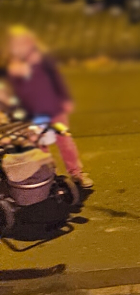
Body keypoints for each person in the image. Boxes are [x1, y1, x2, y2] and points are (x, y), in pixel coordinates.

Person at [3, 27, 91, 189]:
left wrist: (65, 99)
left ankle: (76, 172)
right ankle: (51, 176)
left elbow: (57, 79)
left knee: (64, 139)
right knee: (40, 145)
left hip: (54, 111)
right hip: (34, 115)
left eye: (23, 42)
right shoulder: (12, 67)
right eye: (16, 44)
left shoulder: (42, 60)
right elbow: (14, 94)